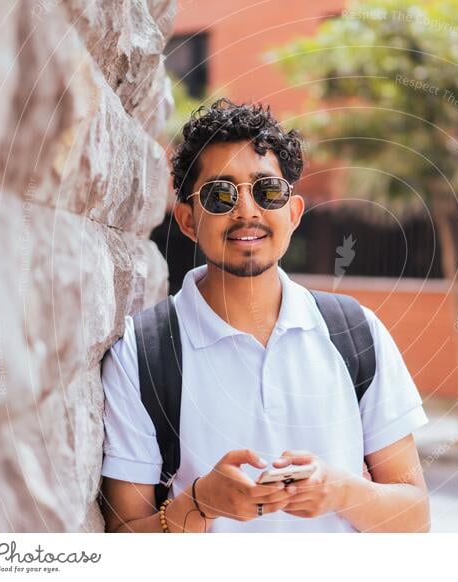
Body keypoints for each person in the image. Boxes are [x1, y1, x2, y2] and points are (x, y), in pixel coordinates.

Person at [99, 98, 430, 533]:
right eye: (220, 195)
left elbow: (415, 516)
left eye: (266, 190)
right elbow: (122, 542)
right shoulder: (140, 355)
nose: (247, 211)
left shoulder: (355, 332)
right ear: (187, 221)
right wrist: (198, 505)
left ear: (293, 214)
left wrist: (341, 490)